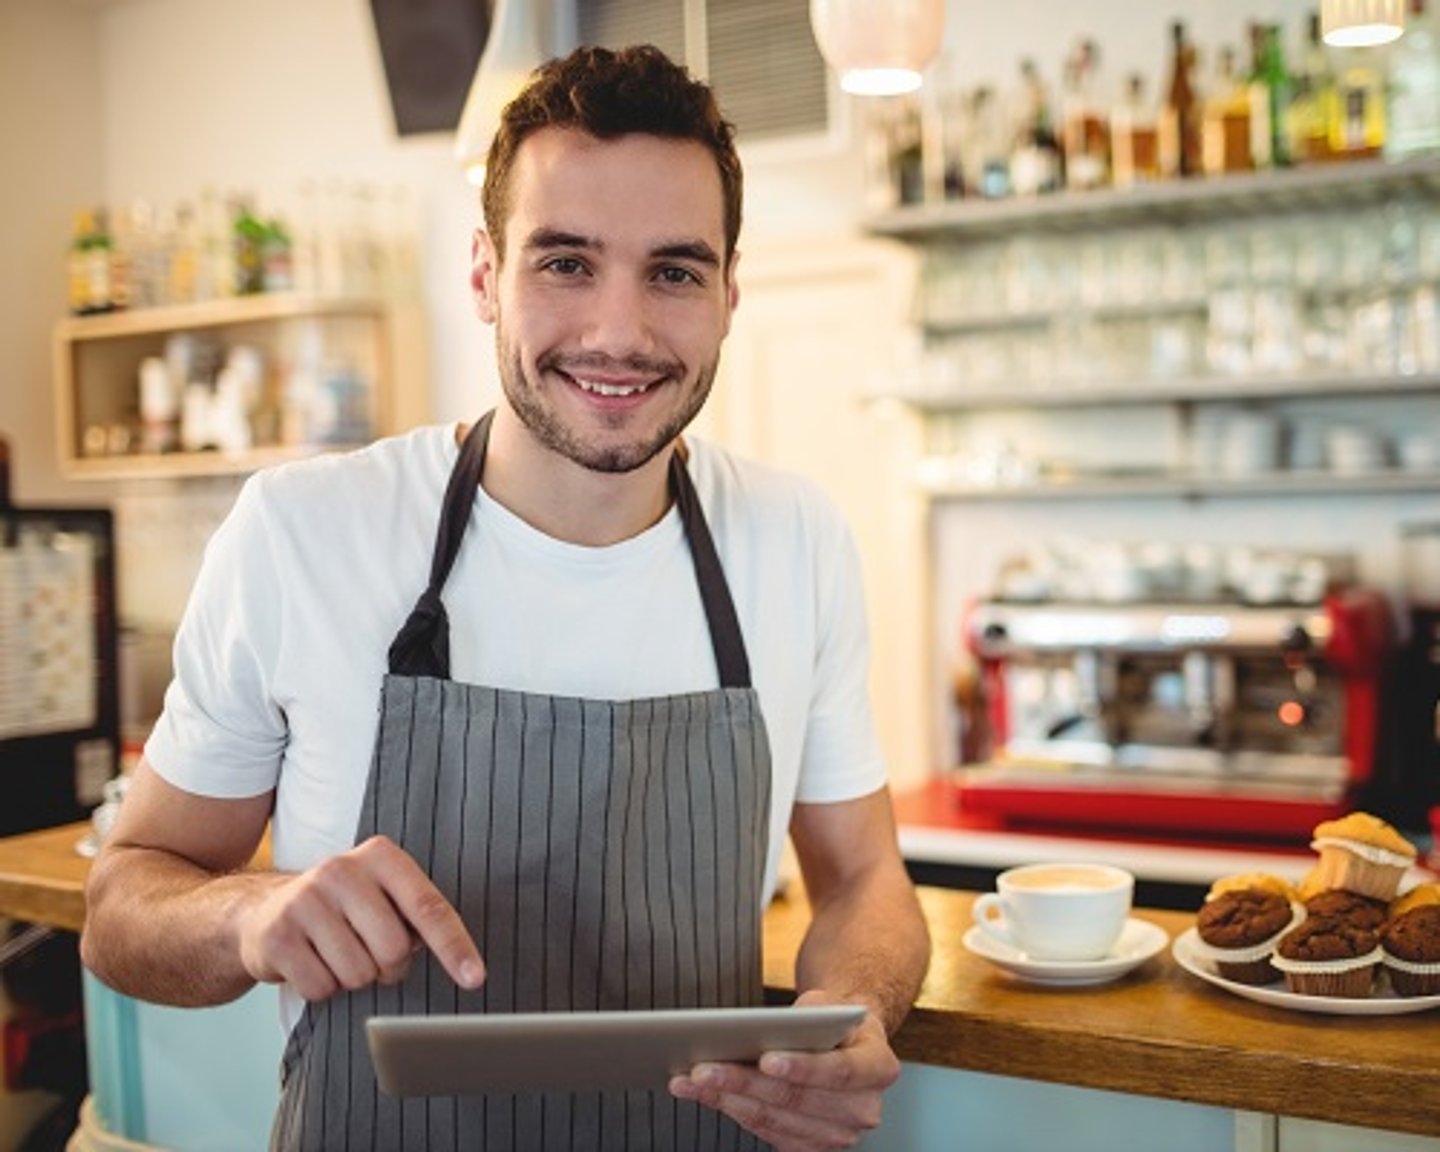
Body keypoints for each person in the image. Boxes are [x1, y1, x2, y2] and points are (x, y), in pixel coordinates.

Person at [81, 43, 931, 1152]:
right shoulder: (306, 533)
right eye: (565, 263)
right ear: (484, 275)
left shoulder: (794, 539)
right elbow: (121, 906)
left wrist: (856, 1007)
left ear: (729, 292)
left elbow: (865, 876)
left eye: (673, 270)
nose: (619, 332)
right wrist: (249, 914)